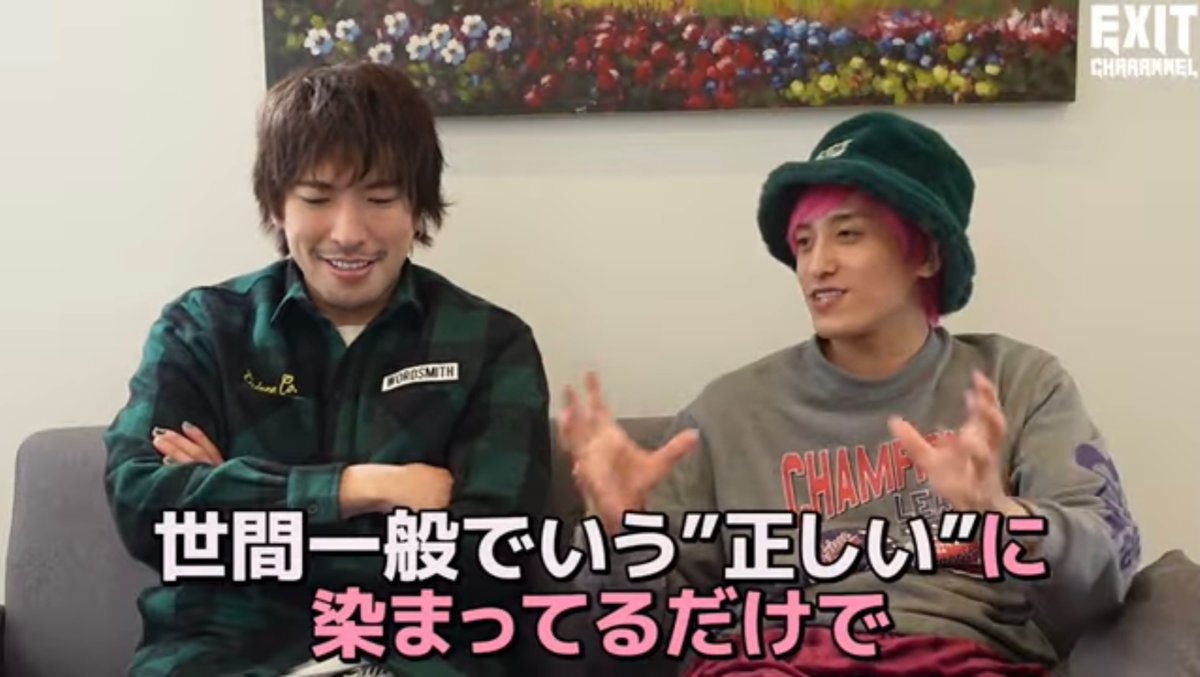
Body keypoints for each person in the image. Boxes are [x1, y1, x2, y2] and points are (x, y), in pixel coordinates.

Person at [559, 111, 1141, 676]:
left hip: (958, 655)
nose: (818, 265)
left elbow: (1108, 570)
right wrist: (618, 534)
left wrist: (1000, 516)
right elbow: (623, 640)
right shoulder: (725, 415)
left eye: (848, 234)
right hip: (772, 657)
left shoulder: (1017, 383)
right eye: (803, 242)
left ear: (927, 253)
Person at [104, 61, 551, 677]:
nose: (348, 233)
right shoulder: (203, 329)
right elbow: (145, 511)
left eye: (380, 199)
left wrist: (234, 509)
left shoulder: (492, 344)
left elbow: (491, 555)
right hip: (218, 654)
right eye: (317, 199)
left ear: (417, 207)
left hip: (414, 653)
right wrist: (360, 489)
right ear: (277, 204)